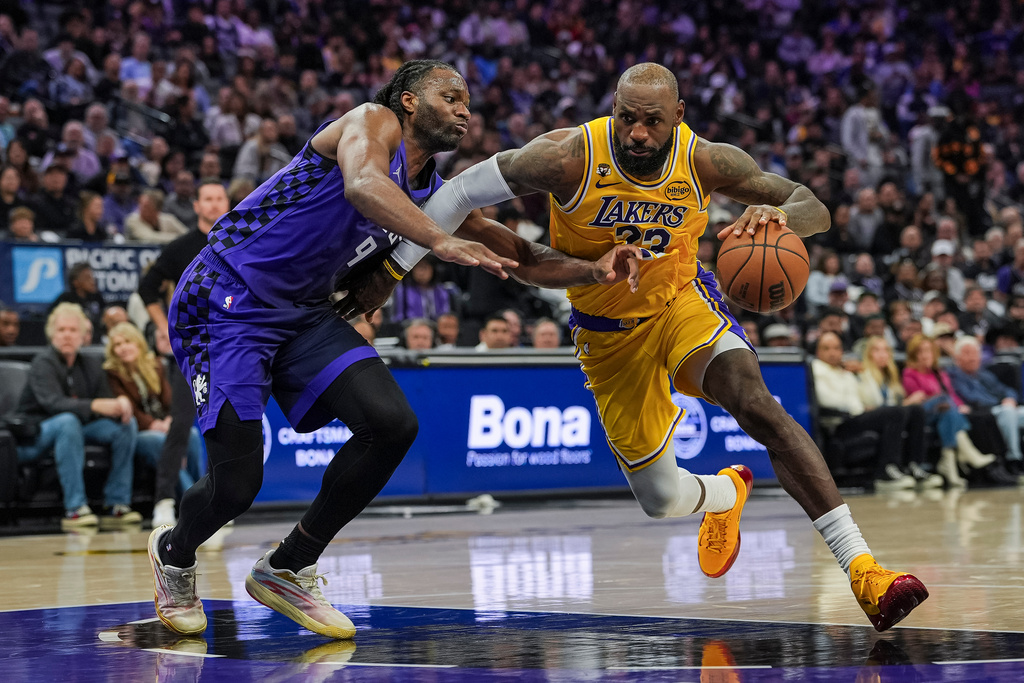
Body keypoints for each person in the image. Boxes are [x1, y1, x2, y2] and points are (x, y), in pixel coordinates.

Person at [343, 62, 929, 632]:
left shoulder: (705, 160)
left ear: (678, 115)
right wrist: (391, 273)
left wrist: (778, 213)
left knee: (755, 403)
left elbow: (814, 206)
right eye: (627, 118)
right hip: (606, 332)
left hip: (680, 301)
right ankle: (725, 492)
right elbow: (455, 196)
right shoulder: (567, 156)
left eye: (652, 121)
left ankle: (865, 571)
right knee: (661, 498)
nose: (638, 133)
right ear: (613, 109)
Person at [149, 60, 639, 639]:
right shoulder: (369, 122)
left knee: (392, 423)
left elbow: (522, 258)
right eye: (450, 96)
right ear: (409, 100)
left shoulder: (432, 188)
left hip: (304, 312)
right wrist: (438, 241)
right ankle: (174, 553)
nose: (464, 108)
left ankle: (288, 565)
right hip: (226, 296)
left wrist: (595, 270)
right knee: (236, 486)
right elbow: (363, 184)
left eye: (467, 101)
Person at [137, 180, 229, 528]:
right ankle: (163, 500)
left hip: (230, 346)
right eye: (207, 198)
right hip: (189, 347)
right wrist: (163, 327)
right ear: (196, 205)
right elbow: (147, 289)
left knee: (223, 424)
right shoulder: (181, 247)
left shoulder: (239, 240)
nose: (213, 203)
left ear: (227, 201)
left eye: (219, 198)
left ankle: (218, 500)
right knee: (180, 424)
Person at [14, 303, 140, 531]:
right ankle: (75, 508)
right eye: (61, 330)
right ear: (52, 334)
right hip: (36, 434)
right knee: (67, 421)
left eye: (73, 330)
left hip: (79, 428)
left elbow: (106, 401)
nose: (67, 336)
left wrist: (120, 402)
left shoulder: (91, 364)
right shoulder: (42, 363)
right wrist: (95, 405)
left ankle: (117, 504)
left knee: (125, 424)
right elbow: (54, 404)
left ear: (83, 335)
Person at [103, 322, 202, 511]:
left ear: (138, 343)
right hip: (138, 432)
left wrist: (170, 421)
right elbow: (128, 409)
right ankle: (195, 501)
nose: (123, 348)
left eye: (127, 342)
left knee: (193, 437)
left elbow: (170, 401)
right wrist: (154, 424)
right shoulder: (112, 373)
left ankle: (205, 489)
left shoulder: (156, 365)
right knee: (161, 443)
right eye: (117, 344)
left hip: (162, 426)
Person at [812, 332, 917, 491]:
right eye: (826, 348)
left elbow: (860, 401)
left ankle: (911, 466)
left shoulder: (846, 372)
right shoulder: (816, 369)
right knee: (895, 413)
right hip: (837, 423)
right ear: (818, 352)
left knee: (909, 411)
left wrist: (861, 373)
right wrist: (852, 403)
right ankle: (885, 473)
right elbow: (827, 400)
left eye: (836, 348)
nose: (832, 352)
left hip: (854, 416)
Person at [902, 334, 996, 485]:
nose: (926, 355)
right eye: (921, 351)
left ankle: (949, 465)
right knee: (944, 401)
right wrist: (940, 400)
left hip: (942, 413)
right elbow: (918, 400)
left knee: (949, 411)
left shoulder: (939, 373)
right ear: (914, 355)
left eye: (929, 351)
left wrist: (960, 406)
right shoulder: (909, 373)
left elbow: (952, 395)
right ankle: (967, 453)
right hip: (921, 414)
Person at [857, 335, 943, 488]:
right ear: (868, 354)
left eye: (886, 350)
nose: (882, 354)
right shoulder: (860, 373)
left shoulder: (891, 378)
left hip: (887, 416)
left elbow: (894, 406)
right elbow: (859, 404)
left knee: (916, 410)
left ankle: (914, 465)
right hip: (861, 417)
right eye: (877, 350)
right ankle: (886, 470)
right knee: (897, 412)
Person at [947, 336, 1024, 480]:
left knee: (1013, 412)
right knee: (1008, 413)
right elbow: (970, 398)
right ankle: (1014, 459)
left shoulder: (984, 374)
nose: (972, 357)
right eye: (967, 353)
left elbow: (1005, 389)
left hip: (1001, 407)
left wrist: (1010, 398)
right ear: (957, 357)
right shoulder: (954, 376)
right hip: (984, 411)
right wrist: (1001, 403)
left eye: (975, 353)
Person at [51, 263, 106, 333]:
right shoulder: (65, 299)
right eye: (87, 278)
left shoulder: (96, 297)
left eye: (92, 277)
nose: (92, 281)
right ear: (76, 282)